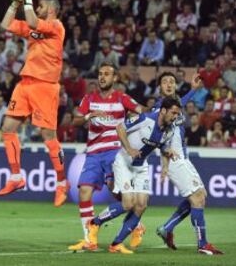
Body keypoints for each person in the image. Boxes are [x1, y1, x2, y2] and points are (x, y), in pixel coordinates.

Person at [0, 0, 69, 207]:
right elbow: (5, 25)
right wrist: (15, 3)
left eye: (41, 5)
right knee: (7, 129)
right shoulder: (33, 25)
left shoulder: (56, 26)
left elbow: (32, 20)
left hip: (46, 86)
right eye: (35, 5)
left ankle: (61, 183)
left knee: (49, 137)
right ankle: (16, 177)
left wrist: (27, 0)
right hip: (25, 83)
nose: (37, 8)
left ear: (52, 8)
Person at [86, 97, 181, 254]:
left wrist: (165, 166)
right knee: (128, 203)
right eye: (173, 113)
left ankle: (116, 243)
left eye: (178, 114)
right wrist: (129, 149)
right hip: (123, 162)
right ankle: (94, 223)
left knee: (141, 205)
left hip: (141, 166)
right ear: (163, 111)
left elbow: (164, 147)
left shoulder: (169, 130)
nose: (175, 116)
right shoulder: (145, 119)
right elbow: (120, 128)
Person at [68, 61, 144, 251]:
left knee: (117, 192)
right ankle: (89, 240)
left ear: (115, 78)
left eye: (107, 74)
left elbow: (142, 112)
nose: (102, 77)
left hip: (114, 152)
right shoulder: (89, 99)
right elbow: (75, 120)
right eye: (100, 73)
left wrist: (131, 126)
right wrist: (89, 116)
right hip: (93, 153)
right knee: (84, 192)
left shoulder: (122, 98)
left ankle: (135, 225)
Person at [155, 72, 223, 255]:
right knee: (198, 198)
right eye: (164, 82)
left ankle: (167, 228)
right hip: (174, 159)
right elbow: (155, 136)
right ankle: (202, 244)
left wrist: (193, 89)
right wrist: (165, 161)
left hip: (184, 158)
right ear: (160, 87)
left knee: (201, 196)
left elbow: (181, 103)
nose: (169, 84)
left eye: (172, 81)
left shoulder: (175, 106)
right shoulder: (159, 110)